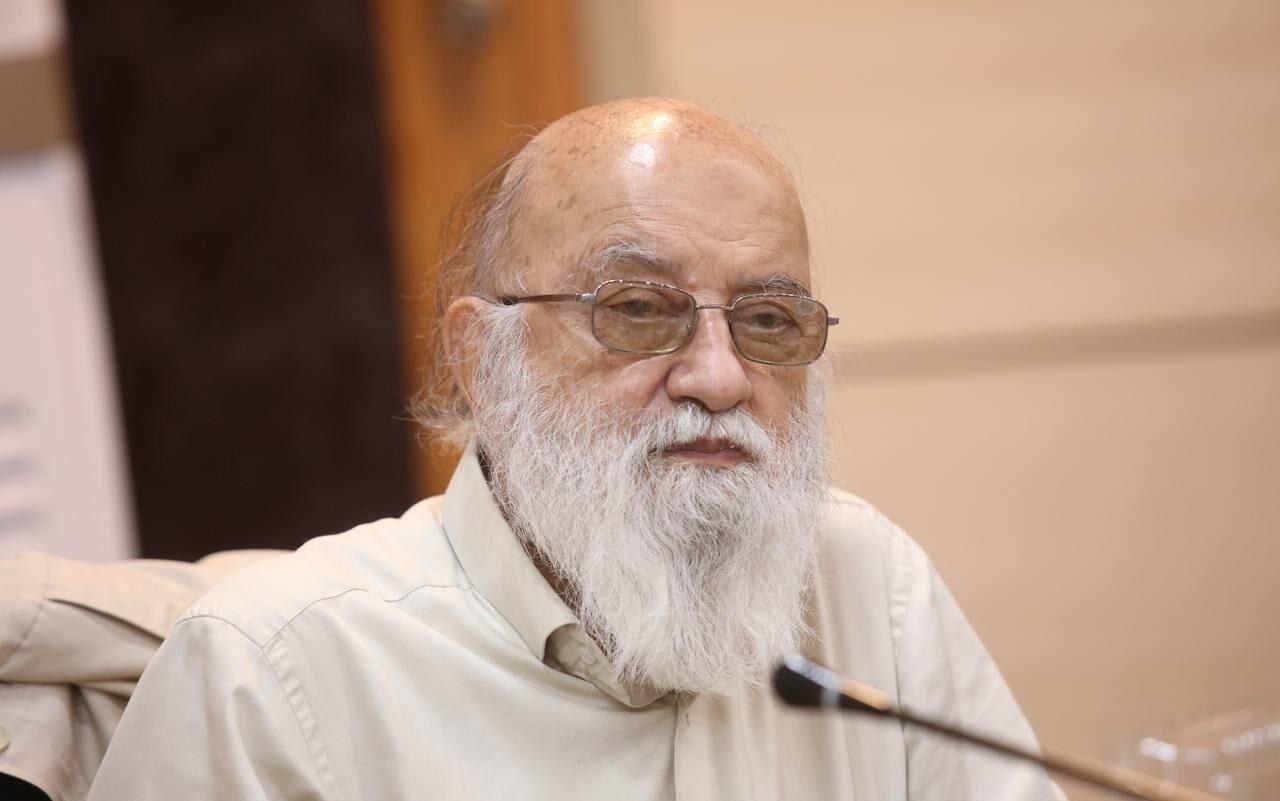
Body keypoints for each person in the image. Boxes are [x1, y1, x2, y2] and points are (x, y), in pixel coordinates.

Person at [86, 98, 1058, 800]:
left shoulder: (867, 586)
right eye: (636, 309)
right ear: (478, 360)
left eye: (768, 320)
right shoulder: (269, 673)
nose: (720, 377)